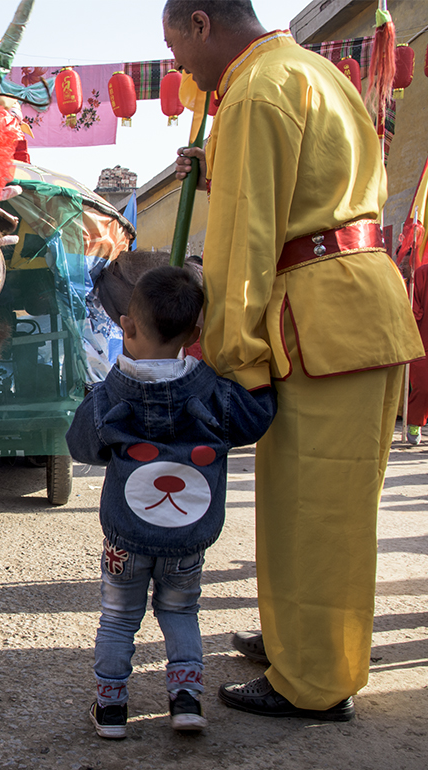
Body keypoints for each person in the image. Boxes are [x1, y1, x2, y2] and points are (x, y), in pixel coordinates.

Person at [165, 0, 424, 720]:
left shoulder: (252, 89)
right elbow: (313, 184)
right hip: (356, 311)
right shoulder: (313, 71)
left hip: (318, 320)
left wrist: (230, 353)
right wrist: (215, 161)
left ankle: (313, 679)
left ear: (199, 23)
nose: (182, 70)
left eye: (178, 51)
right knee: (320, 504)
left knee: (317, 510)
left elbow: (244, 237)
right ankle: (299, 638)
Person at [66, 266, 275, 739]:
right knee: (180, 612)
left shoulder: (107, 398)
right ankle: (186, 701)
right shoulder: (216, 394)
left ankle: (112, 709)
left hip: (125, 539)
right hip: (187, 540)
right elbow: (256, 416)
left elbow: (81, 447)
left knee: (119, 618)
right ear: (196, 335)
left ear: (128, 326)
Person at [406, 263, 428, 445]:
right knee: (423, 386)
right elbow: (414, 309)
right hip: (423, 340)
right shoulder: (422, 273)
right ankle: (415, 422)